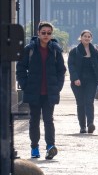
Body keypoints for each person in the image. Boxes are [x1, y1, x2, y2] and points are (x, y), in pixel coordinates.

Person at [16, 21, 66, 160]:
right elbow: (20, 68)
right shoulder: (29, 49)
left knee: (49, 120)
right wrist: (25, 85)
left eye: (49, 33)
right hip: (34, 91)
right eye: (43, 33)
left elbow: (61, 71)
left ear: (51, 34)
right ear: (38, 33)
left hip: (50, 92)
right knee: (34, 120)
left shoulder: (56, 50)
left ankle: (50, 146)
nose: (46, 35)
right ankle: (34, 147)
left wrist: (58, 87)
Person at [68, 30, 98, 133]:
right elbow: (71, 66)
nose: (87, 38)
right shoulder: (74, 51)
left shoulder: (95, 52)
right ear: (80, 38)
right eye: (85, 36)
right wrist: (75, 78)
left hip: (92, 81)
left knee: (89, 102)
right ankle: (82, 126)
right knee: (80, 103)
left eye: (89, 36)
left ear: (91, 38)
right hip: (78, 82)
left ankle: (90, 124)